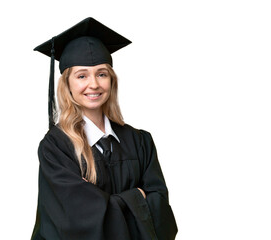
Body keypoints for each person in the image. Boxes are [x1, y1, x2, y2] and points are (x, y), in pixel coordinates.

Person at [31, 17, 178, 240]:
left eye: (102, 74)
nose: (94, 84)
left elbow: (161, 212)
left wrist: (103, 202)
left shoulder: (139, 141)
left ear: (112, 80)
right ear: (67, 84)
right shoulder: (56, 147)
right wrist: (138, 199)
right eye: (82, 76)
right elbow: (72, 220)